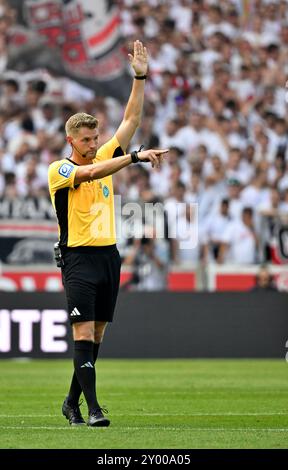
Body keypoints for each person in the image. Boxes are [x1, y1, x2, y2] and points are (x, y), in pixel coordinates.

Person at [47, 40, 168, 427]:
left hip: (108, 255)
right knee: (83, 330)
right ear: (71, 141)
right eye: (86, 139)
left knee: (96, 335)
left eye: (96, 138)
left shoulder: (103, 154)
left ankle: (71, 402)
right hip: (79, 256)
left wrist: (140, 77)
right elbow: (91, 173)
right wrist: (132, 157)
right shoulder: (59, 170)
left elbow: (131, 121)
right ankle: (93, 409)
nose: (93, 144)